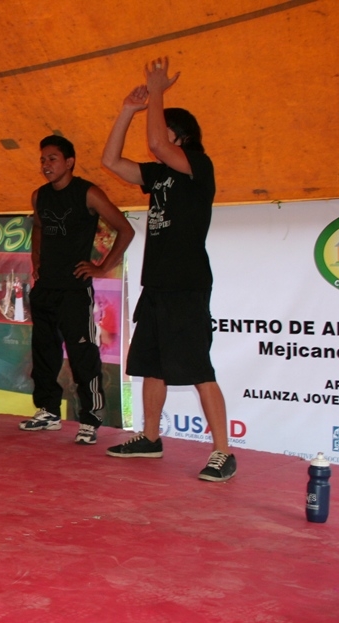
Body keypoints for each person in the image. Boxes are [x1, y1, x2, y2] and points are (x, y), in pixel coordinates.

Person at [101, 56, 236, 481]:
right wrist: (127, 109)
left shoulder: (199, 165)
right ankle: (150, 437)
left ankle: (223, 452)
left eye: (161, 128)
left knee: (198, 368)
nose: (153, 140)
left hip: (186, 284)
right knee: (152, 365)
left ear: (180, 136)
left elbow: (159, 144)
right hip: (156, 286)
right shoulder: (158, 176)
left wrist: (157, 91)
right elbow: (110, 161)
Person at [18, 135, 134, 445]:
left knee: (83, 355)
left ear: (69, 162)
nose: (46, 165)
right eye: (43, 159)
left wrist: (102, 267)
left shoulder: (88, 193)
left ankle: (90, 420)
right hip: (45, 288)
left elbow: (125, 228)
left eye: (52, 159)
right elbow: (40, 228)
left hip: (74, 291)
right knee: (43, 354)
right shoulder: (39, 196)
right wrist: (36, 260)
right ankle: (48, 411)